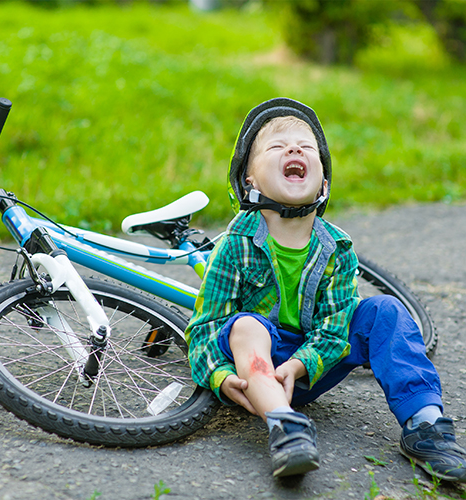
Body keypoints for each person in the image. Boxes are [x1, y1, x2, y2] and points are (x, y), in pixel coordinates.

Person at [185, 97, 466, 480]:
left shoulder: (337, 248)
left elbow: (335, 329)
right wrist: (218, 376)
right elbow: (203, 329)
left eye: (306, 146)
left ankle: (424, 424)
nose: (294, 148)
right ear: (250, 181)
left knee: (385, 311)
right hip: (252, 372)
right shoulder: (234, 245)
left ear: (323, 180)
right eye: (277, 146)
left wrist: (300, 365)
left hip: (310, 365)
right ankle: (286, 428)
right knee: (246, 325)